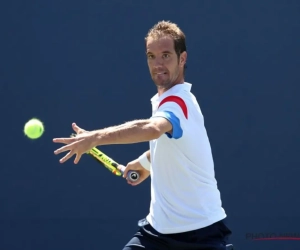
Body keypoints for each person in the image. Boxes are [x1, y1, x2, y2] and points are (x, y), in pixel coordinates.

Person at [53, 20, 232, 250]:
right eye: (151, 56)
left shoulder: (179, 102)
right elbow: (174, 145)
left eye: (166, 55)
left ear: (182, 58)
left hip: (201, 235)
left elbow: (153, 129)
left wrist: (94, 138)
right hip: (157, 233)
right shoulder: (164, 101)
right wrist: (147, 162)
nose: (157, 64)